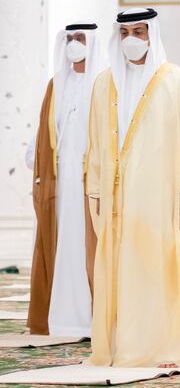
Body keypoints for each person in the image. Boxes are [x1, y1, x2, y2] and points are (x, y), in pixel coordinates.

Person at [85, 7, 180, 368]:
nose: (131, 40)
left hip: (161, 197)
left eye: (139, 32)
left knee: (158, 266)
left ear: (152, 35)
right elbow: (94, 141)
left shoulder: (177, 81)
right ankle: (121, 345)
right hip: (117, 198)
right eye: (125, 33)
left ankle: (162, 346)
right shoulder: (104, 83)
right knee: (121, 269)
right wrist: (95, 188)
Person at [26, 22, 105, 337]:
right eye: (70, 38)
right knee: (62, 245)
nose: (74, 44)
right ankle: (61, 318)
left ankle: (95, 319)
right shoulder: (56, 83)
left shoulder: (104, 83)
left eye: (80, 38)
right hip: (61, 182)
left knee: (92, 246)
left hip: (92, 182)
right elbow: (44, 135)